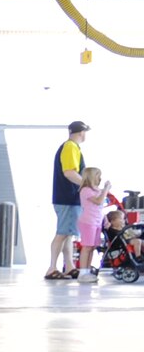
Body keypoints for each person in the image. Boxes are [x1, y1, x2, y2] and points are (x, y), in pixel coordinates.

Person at [46, 120, 88, 281]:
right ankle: (52, 268)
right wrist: (88, 185)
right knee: (62, 233)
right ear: (82, 133)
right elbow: (69, 172)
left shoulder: (72, 147)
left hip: (67, 197)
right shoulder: (70, 147)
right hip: (67, 197)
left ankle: (69, 266)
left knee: (68, 234)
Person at [75, 166, 111, 281]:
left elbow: (99, 208)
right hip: (88, 222)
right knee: (86, 247)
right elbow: (98, 201)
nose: (100, 178)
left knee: (92, 247)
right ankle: (82, 273)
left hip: (96, 222)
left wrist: (105, 220)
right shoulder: (86, 190)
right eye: (98, 175)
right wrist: (106, 189)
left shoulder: (97, 190)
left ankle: (87, 271)